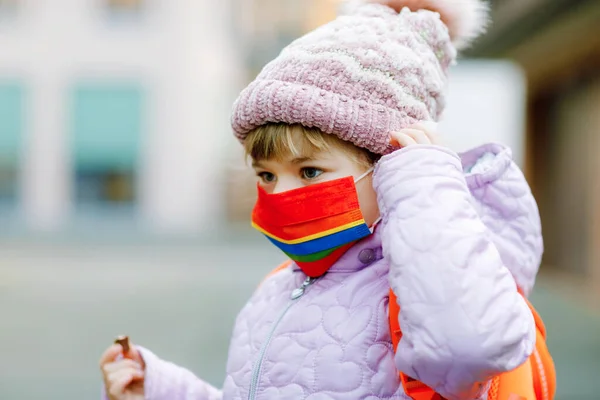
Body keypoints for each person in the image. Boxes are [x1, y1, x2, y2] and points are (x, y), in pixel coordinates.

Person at [99, 0, 545, 399]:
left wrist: (424, 185)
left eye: (310, 171)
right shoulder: (281, 285)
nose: (281, 194)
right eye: (266, 175)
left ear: (393, 164)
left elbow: (470, 348)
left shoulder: (420, 290)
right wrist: (164, 390)